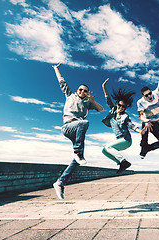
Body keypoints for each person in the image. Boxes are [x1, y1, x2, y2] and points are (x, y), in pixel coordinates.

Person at [52, 63, 104, 200]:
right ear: (77, 90)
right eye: (80, 90)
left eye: (85, 91)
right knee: (84, 123)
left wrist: (93, 101)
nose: (82, 92)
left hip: (77, 131)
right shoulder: (70, 95)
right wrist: (56, 69)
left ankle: (60, 182)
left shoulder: (87, 104)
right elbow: (61, 82)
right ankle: (77, 152)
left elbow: (101, 110)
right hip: (69, 127)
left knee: (78, 160)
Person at [101, 78, 146, 173]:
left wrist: (140, 131)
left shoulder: (125, 116)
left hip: (126, 140)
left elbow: (131, 125)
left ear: (125, 108)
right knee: (104, 151)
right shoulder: (113, 110)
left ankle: (123, 162)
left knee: (108, 148)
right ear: (117, 104)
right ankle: (121, 163)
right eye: (119, 105)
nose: (120, 107)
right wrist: (103, 87)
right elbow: (108, 99)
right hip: (119, 140)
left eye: (123, 106)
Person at [137, 57, 159, 159]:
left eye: (150, 93)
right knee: (145, 123)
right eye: (147, 95)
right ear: (143, 96)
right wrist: (147, 120)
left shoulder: (156, 94)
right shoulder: (140, 102)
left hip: (157, 123)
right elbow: (140, 116)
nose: (150, 96)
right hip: (149, 122)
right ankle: (144, 145)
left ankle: (148, 148)